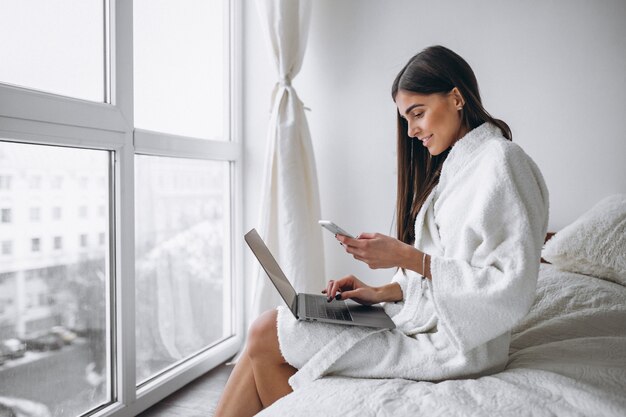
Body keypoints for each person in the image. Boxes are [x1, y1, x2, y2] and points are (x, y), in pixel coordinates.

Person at [214, 45, 549, 417]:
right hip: (426, 327)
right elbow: (445, 270)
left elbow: (509, 287)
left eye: (417, 114)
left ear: (456, 98)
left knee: (265, 333)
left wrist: (405, 256)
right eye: (406, 119)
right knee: (263, 343)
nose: (411, 131)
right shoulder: (459, 168)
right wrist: (379, 292)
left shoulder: (503, 162)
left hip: (457, 346)